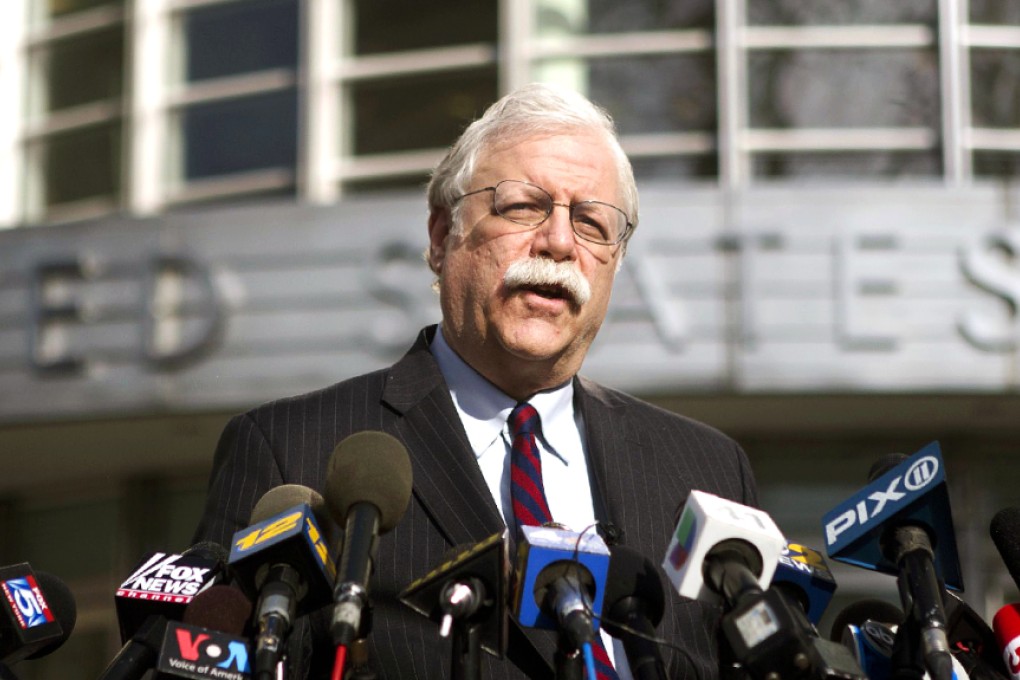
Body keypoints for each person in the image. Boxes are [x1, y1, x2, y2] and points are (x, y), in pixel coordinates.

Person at [193, 83, 758, 680]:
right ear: (441, 237)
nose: (560, 242)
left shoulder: (707, 472)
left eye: (592, 222)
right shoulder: (291, 451)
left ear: (616, 258)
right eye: (522, 207)